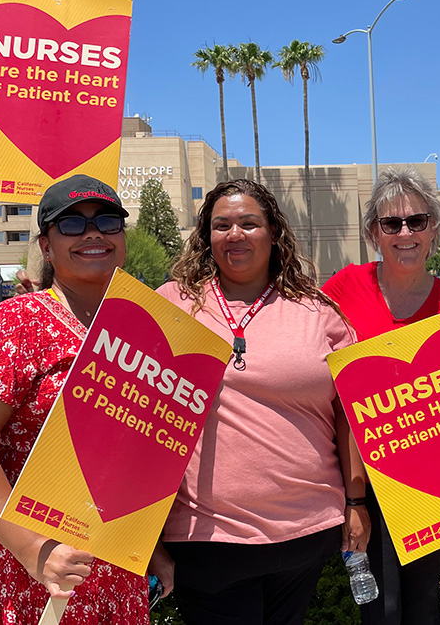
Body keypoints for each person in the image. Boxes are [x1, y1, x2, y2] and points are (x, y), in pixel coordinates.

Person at [152, 178, 369, 625]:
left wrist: (355, 502)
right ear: (205, 236)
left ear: (273, 233)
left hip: (305, 534)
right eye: (221, 225)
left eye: (249, 223)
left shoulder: (318, 310)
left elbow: (349, 414)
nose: (235, 235)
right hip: (206, 539)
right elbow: (132, 413)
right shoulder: (170, 305)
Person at [0, 175, 150, 623]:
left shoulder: (139, 331)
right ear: (46, 246)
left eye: (108, 221)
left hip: (114, 572)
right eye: (71, 224)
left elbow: (136, 461)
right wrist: (36, 549)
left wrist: (154, 547)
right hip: (24, 574)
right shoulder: (12, 324)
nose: (93, 233)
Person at [321, 166, 440, 625]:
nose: (405, 232)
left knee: (423, 604)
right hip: (359, 481)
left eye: (417, 221)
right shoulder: (344, 288)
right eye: (392, 223)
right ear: (374, 233)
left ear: (434, 230)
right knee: (380, 611)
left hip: (428, 482)